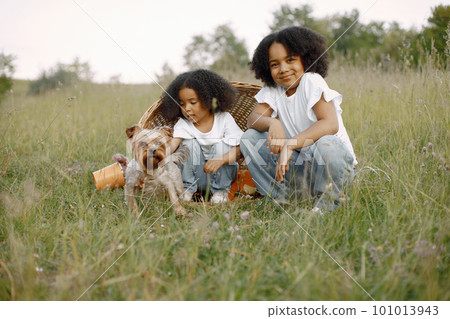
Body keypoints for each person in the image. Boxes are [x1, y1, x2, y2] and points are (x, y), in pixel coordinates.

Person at [240, 26, 357, 212]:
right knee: (250, 138)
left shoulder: (311, 81)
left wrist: (290, 144)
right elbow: (252, 120)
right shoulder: (273, 90)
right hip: (302, 169)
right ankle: (283, 200)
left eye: (290, 60)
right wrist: (272, 122)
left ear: (306, 58)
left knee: (327, 143)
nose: (283, 69)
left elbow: (330, 123)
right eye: (274, 64)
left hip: (334, 169)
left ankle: (325, 207)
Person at [159, 69, 243, 203]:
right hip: (198, 177)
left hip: (223, 173)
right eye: (182, 104)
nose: (187, 108)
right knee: (188, 144)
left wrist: (221, 160)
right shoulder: (183, 124)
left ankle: (220, 193)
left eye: (193, 103)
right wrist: (157, 157)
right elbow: (172, 145)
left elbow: (239, 150)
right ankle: (187, 189)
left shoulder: (224, 119)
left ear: (208, 99)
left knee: (223, 145)